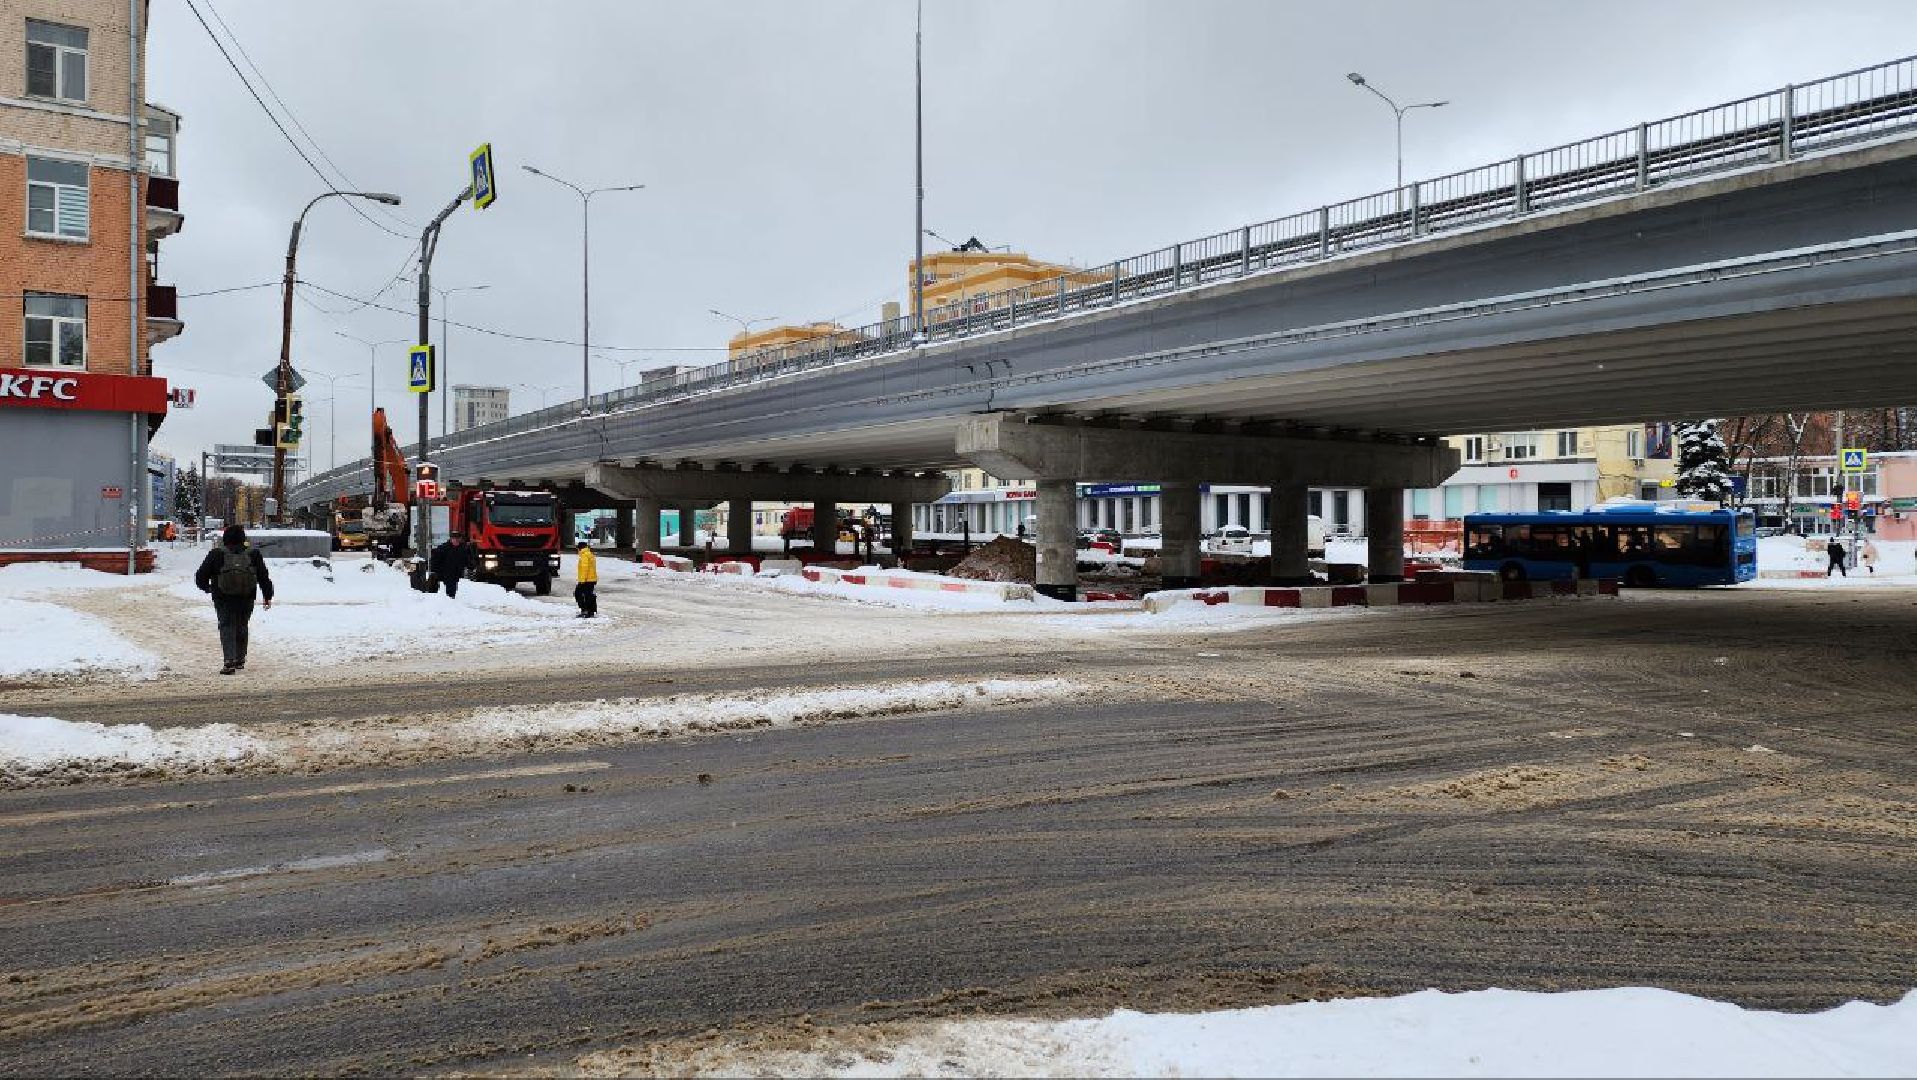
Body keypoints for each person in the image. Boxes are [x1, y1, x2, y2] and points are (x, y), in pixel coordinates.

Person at [193, 524, 274, 675]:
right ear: (243, 538)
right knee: (242, 625)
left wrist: (208, 588)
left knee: (226, 626)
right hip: (246, 596)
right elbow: (263, 576)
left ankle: (229, 661)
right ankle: (240, 659)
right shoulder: (253, 554)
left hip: (222, 597)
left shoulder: (216, 554)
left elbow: (200, 577)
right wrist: (267, 595)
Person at [430, 533, 473, 598]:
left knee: (453, 587)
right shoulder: (443, 548)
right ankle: (449, 601)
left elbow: (466, 559)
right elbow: (435, 559)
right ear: (451, 539)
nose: (456, 541)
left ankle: (450, 600)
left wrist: (470, 566)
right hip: (446, 572)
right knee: (450, 587)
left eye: (457, 539)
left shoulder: (463, 548)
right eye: (454, 539)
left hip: (456, 572)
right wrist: (435, 570)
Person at [574, 542, 599, 618]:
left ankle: (585, 610)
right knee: (589, 595)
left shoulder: (584, 555)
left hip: (587, 580)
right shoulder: (590, 554)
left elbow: (585, 568)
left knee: (578, 593)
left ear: (580, 548)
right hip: (591, 579)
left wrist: (582, 581)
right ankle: (591, 611)